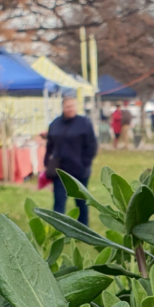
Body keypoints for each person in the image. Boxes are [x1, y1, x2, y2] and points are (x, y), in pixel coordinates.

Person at [45, 96, 98, 225]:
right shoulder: (55, 124)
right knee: (59, 201)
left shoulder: (84, 123)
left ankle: (83, 229)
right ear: (63, 107)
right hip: (60, 171)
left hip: (79, 170)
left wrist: (85, 163)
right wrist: (47, 163)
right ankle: (57, 228)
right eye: (68, 106)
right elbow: (50, 145)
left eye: (73, 106)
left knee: (81, 201)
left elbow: (92, 145)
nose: (70, 109)